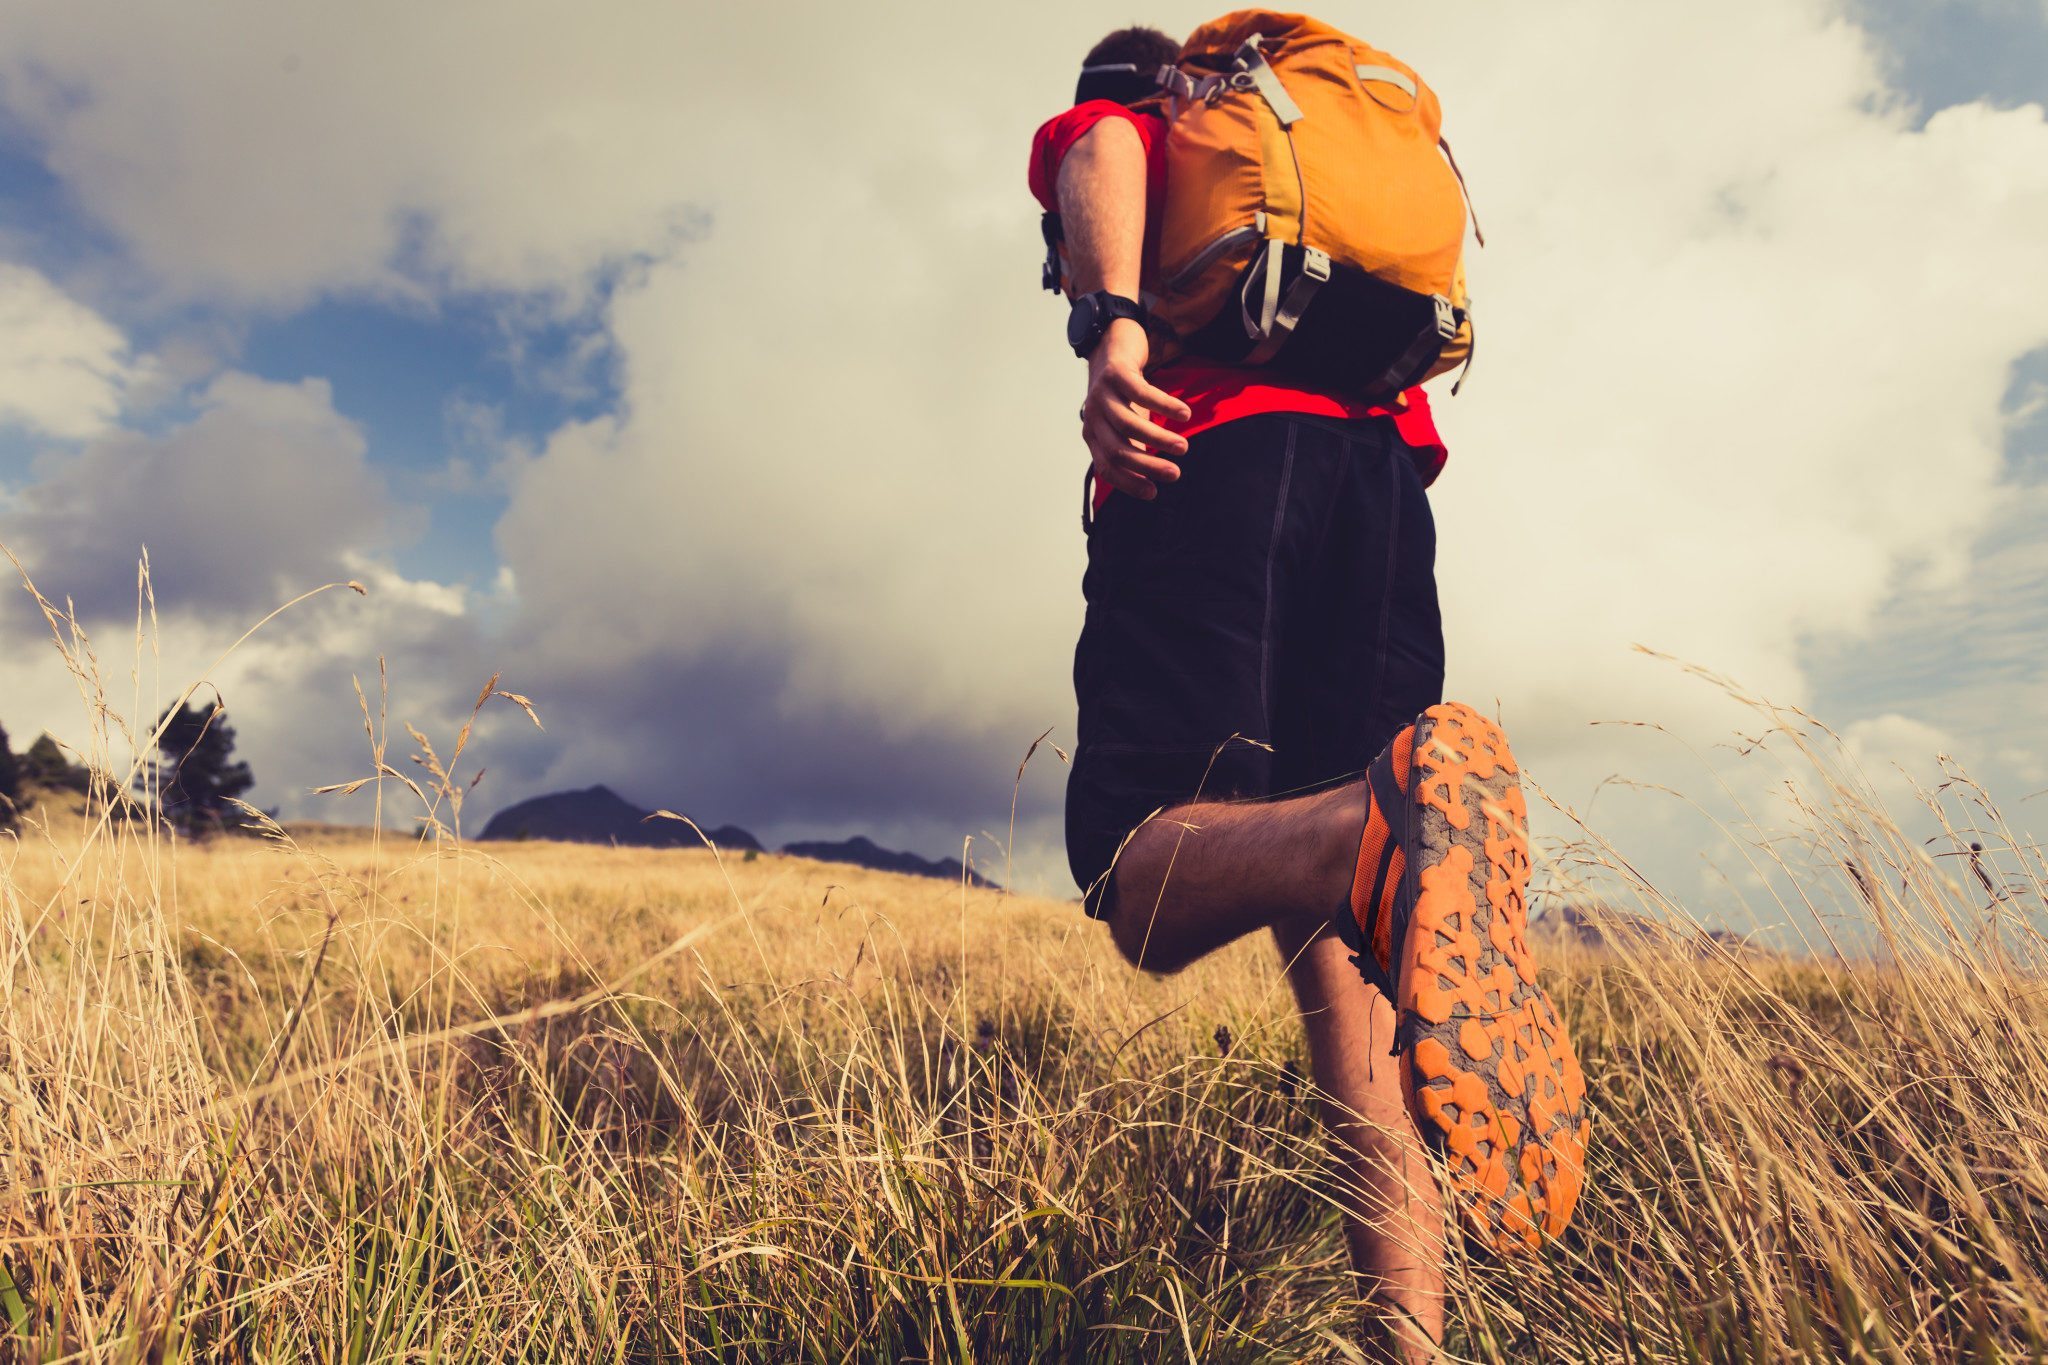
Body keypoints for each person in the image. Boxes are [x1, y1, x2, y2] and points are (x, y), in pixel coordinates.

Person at [1030, 24, 1587, 1360]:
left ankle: (1367, 829)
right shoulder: (1321, 179)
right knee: (1350, 964)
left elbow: (1095, 146)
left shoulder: (1152, 109)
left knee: (1133, 860)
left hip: (1208, 458)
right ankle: (1411, 1343)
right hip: (1381, 497)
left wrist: (1111, 326)